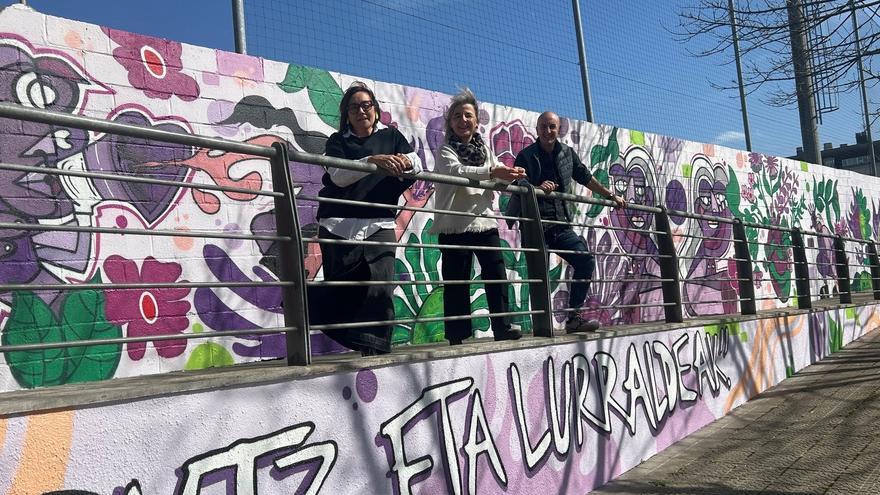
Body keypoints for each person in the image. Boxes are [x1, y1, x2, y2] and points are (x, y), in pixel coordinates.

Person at [312, 81, 422, 356]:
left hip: (379, 223)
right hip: (338, 225)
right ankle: (308, 304)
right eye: (354, 108)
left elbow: (418, 163)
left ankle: (376, 351)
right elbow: (339, 175)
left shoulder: (391, 136)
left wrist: (405, 162)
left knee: (381, 285)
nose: (361, 111)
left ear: (375, 109)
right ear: (346, 114)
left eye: (366, 105)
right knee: (343, 289)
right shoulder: (337, 141)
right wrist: (373, 161)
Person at [510, 111, 626, 333]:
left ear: (559, 129)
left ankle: (574, 318)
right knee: (539, 275)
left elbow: (585, 177)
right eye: (543, 127)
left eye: (552, 126)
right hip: (534, 224)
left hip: (560, 224)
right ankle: (542, 329)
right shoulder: (526, 155)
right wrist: (537, 188)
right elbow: (517, 183)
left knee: (585, 260)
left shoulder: (567, 153)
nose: (548, 131)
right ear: (537, 129)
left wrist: (611, 196)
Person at [430, 89, 527, 345]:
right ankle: (457, 335)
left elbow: (496, 176)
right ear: (450, 123)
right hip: (454, 225)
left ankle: (502, 327)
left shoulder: (485, 149)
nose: (463, 120)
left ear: (476, 121)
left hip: (484, 221)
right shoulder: (445, 150)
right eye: (457, 116)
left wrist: (510, 175)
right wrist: (493, 172)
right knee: (457, 282)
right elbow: (457, 171)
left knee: (496, 274)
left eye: (468, 115)